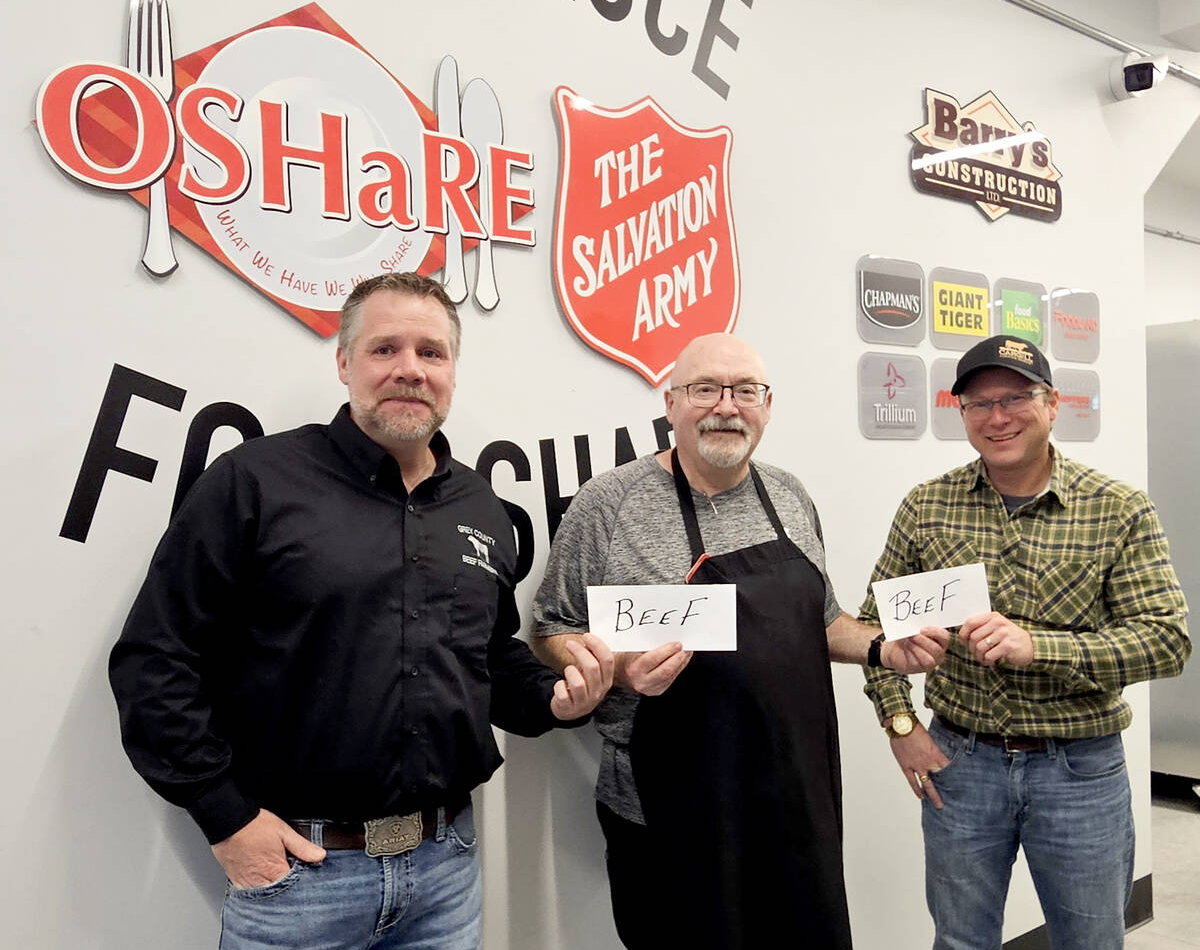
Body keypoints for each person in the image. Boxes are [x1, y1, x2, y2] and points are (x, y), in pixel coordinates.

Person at [109, 272, 612, 950]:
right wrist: (224, 816)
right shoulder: (255, 481)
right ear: (344, 362)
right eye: (385, 349)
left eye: (431, 352)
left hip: (446, 873)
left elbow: (488, 656)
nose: (410, 369)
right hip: (299, 879)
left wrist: (560, 696)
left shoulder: (478, 506)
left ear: (452, 372)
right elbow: (155, 658)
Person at [531, 331, 949, 950]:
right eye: (705, 389)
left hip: (793, 796)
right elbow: (551, 629)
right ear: (671, 404)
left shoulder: (789, 495)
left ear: (767, 405)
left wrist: (880, 647)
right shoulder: (608, 503)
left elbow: (822, 620)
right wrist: (617, 670)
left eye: (744, 391)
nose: (726, 406)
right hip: (669, 811)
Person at [859, 334, 1191, 950]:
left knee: (1090, 942)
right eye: (978, 404)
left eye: (1015, 397)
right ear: (962, 413)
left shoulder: (1117, 509)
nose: (998, 417)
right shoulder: (927, 506)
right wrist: (901, 725)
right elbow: (876, 631)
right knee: (960, 940)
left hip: (1081, 771)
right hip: (958, 764)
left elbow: (1167, 641)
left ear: (1053, 403)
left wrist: (1041, 647)